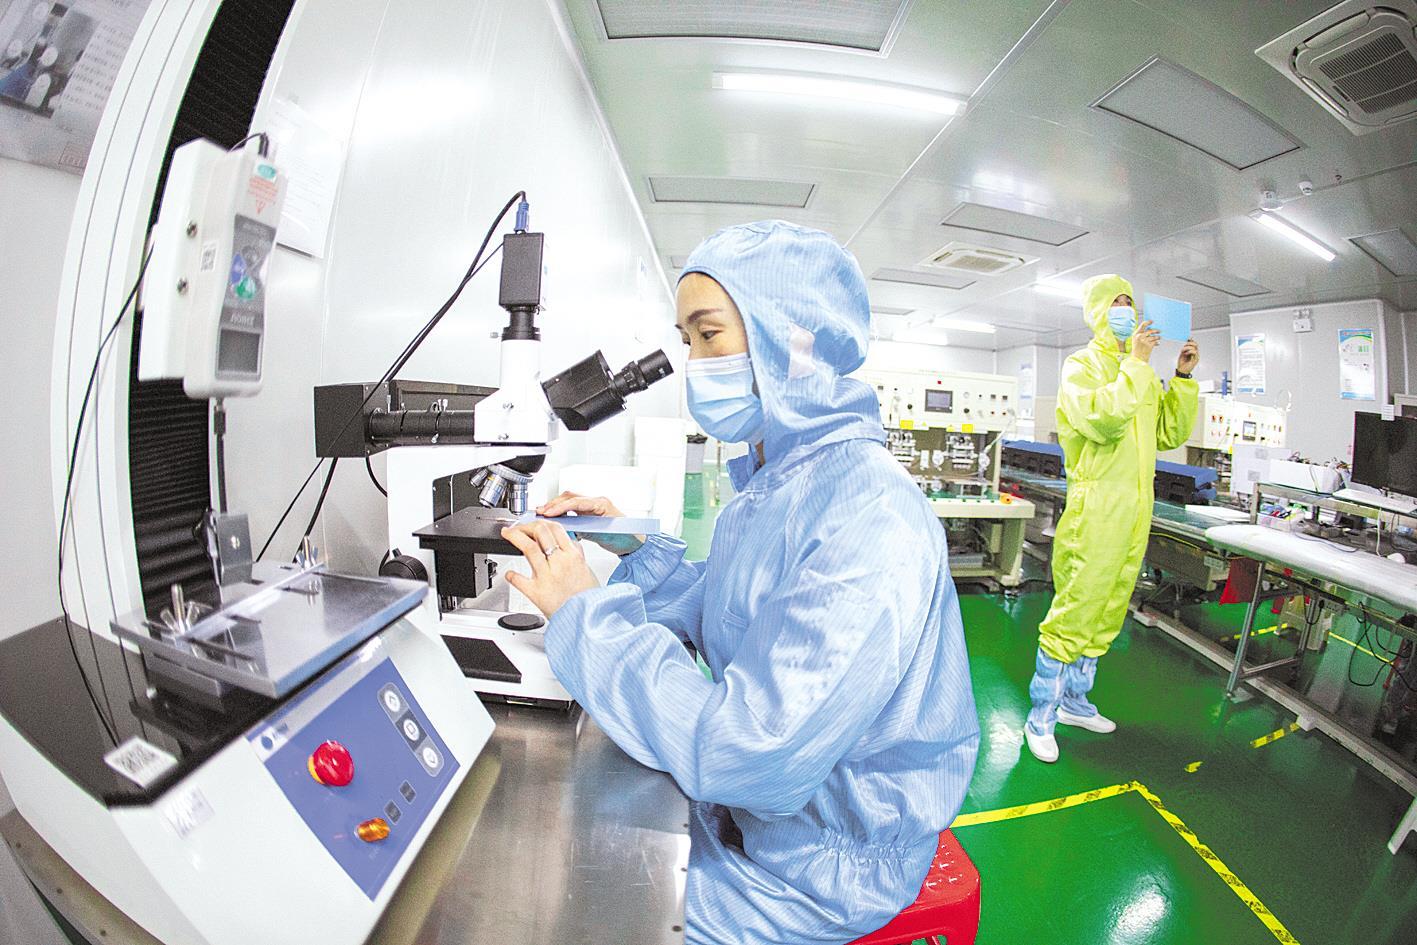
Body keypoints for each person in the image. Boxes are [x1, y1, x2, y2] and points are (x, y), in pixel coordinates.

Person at [500, 220, 980, 945]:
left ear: (792, 342)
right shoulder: (776, 483)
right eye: (686, 339)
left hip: (819, 867)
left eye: (708, 335)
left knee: (566, 916)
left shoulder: (870, 513)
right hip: (764, 822)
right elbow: (731, 607)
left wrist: (583, 617)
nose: (694, 363)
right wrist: (637, 547)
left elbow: (755, 753)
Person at [1023, 274, 1199, 763]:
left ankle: (1075, 702)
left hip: (1136, 507)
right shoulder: (1082, 366)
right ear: (1099, 311)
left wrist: (1181, 379)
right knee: (1078, 606)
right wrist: (1138, 365)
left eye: (1130, 302)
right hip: (1097, 504)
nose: (1126, 310)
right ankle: (1041, 715)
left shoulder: (1139, 371)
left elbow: (1167, 433)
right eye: (1117, 302)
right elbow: (1102, 420)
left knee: (1110, 606)